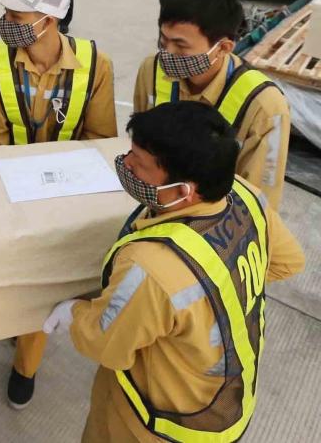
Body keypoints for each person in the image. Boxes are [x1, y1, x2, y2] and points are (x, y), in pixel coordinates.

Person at [43, 101, 304, 443]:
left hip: (153, 425)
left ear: (184, 190)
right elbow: (287, 262)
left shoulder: (151, 267)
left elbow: (106, 345)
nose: (125, 165)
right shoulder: (244, 194)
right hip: (223, 404)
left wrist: (75, 314)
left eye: (140, 164)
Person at [0, 0, 117, 408]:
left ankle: (26, 367)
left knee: (44, 292)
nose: (7, 22)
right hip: (8, 190)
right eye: (6, 12)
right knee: (11, 278)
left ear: (49, 21)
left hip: (64, 198)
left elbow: (100, 139)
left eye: (17, 14)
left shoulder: (95, 65)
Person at [133, 0, 290, 210]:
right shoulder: (151, 70)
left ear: (223, 48)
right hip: (157, 202)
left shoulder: (264, 106)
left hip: (218, 219)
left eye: (180, 45)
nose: (167, 53)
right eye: (163, 40)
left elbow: (259, 199)